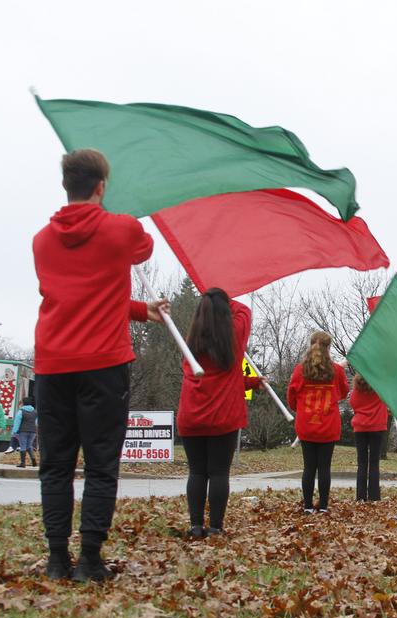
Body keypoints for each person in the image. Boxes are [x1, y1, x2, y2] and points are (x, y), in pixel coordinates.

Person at [33, 148, 168, 582]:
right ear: (102, 186)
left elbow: (73, 295)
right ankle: (89, 560)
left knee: (54, 464)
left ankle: (57, 559)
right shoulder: (122, 228)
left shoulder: (41, 240)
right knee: (100, 463)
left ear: (65, 185)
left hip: (53, 362)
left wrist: (135, 309)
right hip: (104, 364)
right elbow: (143, 249)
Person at [177, 288, 261, 538]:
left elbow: (220, 378)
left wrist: (209, 300)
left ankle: (195, 525)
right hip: (222, 417)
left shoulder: (190, 344)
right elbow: (244, 311)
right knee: (218, 473)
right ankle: (215, 526)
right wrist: (223, 297)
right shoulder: (233, 339)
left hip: (192, 416)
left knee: (197, 471)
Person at [287, 332, 348, 513]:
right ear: (329, 347)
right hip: (328, 424)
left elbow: (292, 395)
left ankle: (307, 506)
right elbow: (343, 392)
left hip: (306, 424)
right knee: (324, 467)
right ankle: (323, 506)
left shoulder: (300, 370)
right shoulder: (336, 370)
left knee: (309, 467)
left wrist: (298, 409)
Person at [348, 370, 387, 502]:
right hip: (377, 426)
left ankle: (360, 496)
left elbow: (352, 402)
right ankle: (374, 496)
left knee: (362, 462)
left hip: (360, 427)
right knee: (374, 463)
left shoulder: (358, 387)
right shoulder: (381, 385)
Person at [12, 396, 39, 468]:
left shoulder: (21, 411)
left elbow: (17, 422)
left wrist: (14, 431)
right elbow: (37, 422)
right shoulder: (35, 412)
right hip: (33, 432)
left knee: (23, 446)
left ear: (23, 403)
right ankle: (34, 461)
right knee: (29, 445)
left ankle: (23, 463)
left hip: (23, 431)